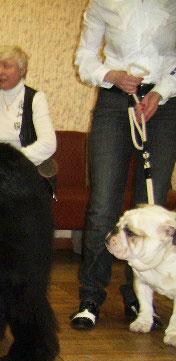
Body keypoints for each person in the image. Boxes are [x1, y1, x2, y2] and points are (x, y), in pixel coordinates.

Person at [71, 0, 176, 330]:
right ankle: (90, 298)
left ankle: (139, 300)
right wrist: (110, 75)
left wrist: (162, 91)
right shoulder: (103, 2)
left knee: (152, 207)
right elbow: (85, 59)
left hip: (164, 105)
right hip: (114, 103)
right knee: (103, 206)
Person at [0, 45, 57, 189]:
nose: (0, 72)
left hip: (25, 170)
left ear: (22, 70)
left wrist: (13, 158)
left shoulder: (35, 99)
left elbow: (48, 144)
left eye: (6, 66)